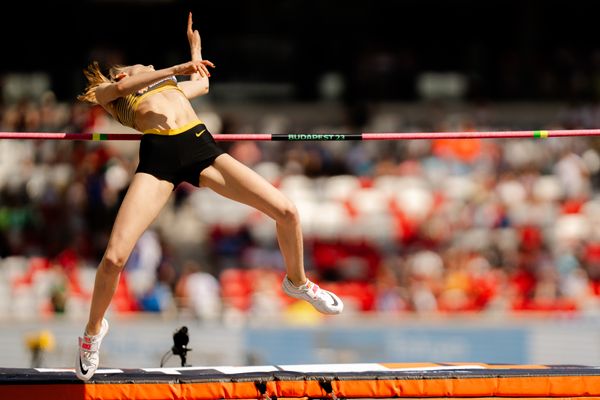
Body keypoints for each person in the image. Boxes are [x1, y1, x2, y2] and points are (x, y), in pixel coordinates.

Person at [74, 12, 343, 381]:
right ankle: (92, 332)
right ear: (124, 75)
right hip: (159, 163)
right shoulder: (116, 94)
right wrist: (174, 66)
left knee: (287, 211)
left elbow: (201, 84)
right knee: (114, 258)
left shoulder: (169, 87)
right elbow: (118, 89)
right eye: (142, 65)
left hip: (202, 150)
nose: (150, 65)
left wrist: (195, 49)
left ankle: (296, 282)